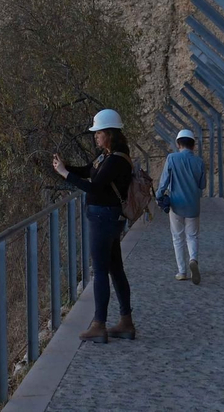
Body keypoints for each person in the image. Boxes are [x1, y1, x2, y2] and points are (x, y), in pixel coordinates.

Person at [52, 108, 135, 343]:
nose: (95, 136)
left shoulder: (115, 160)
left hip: (102, 218)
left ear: (108, 133)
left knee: (100, 271)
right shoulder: (109, 157)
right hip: (110, 218)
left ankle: (99, 324)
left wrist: (65, 175)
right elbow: (89, 171)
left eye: (98, 133)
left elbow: (95, 186)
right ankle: (126, 322)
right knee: (115, 269)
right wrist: (65, 168)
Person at [157, 128, 207, 283]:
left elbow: (164, 181)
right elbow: (202, 185)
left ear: (178, 144)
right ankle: (193, 259)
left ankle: (182, 271)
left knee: (177, 237)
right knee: (192, 236)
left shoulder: (172, 158)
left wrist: (159, 196)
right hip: (193, 205)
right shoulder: (199, 162)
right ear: (193, 145)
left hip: (176, 204)